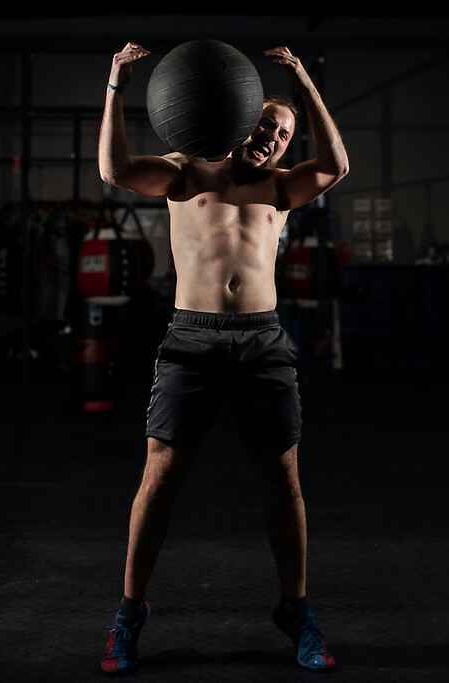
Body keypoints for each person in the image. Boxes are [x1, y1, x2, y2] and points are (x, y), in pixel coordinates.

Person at [98, 40, 349, 675]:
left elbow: (338, 166)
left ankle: (295, 610)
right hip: (192, 339)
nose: (273, 138)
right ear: (242, 118)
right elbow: (114, 171)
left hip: (263, 341)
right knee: (158, 479)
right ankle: (130, 613)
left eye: (285, 134)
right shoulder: (188, 171)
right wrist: (115, 85)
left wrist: (301, 80)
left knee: (284, 480)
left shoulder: (283, 188)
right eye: (266, 123)